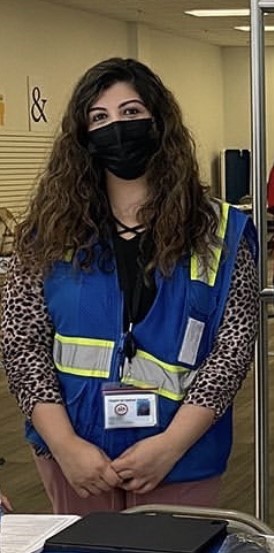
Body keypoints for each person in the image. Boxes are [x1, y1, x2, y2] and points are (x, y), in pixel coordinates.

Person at [1, 57, 259, 516]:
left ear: (159, 122)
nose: (116, 127)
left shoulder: (220, 229)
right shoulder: (47, 232)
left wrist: (171, 445)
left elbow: (233, 348)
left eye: (131, 112)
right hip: (74, 459)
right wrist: (65, 446)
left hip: (183, 456)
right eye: (99, 118)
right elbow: (22, 344)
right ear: (82, 136)